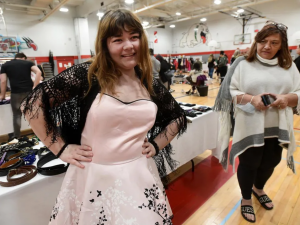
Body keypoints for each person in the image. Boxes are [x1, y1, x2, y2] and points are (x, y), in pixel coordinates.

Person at [21, 9, 187, 225]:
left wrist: (156, 145)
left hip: (140, 175)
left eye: (134, 37)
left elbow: (178, 118)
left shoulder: (147, 80)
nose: (129, 46)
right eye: (118, 39)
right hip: (95, 178)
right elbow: (32, 104)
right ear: (105, 45)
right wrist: (59, 148)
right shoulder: (88, 75)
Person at [214, 21, 300, 223]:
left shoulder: (289, 67)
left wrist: (286, 99)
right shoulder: (243, 64)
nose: (267, 46)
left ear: (282, 45)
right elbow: (231, 92)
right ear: (256, 42)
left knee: (271, 162)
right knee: (249, 163)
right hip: (250, 125)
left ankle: (258, 188)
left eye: (274, 42)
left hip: (277, 127)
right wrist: (252, 99)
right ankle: (245, 199)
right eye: (263, 41)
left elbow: (298, 93)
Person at [0, 53, 41, 139]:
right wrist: (35, 86)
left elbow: (3, 81)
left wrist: (2, 95)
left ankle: (17, 136)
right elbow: (38, 72)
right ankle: (39, 134)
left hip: (16, 93)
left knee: (17, 115)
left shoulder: (6, 65)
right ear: (23, 58)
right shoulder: (28, 63)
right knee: (33, 114)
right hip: (29, 93)